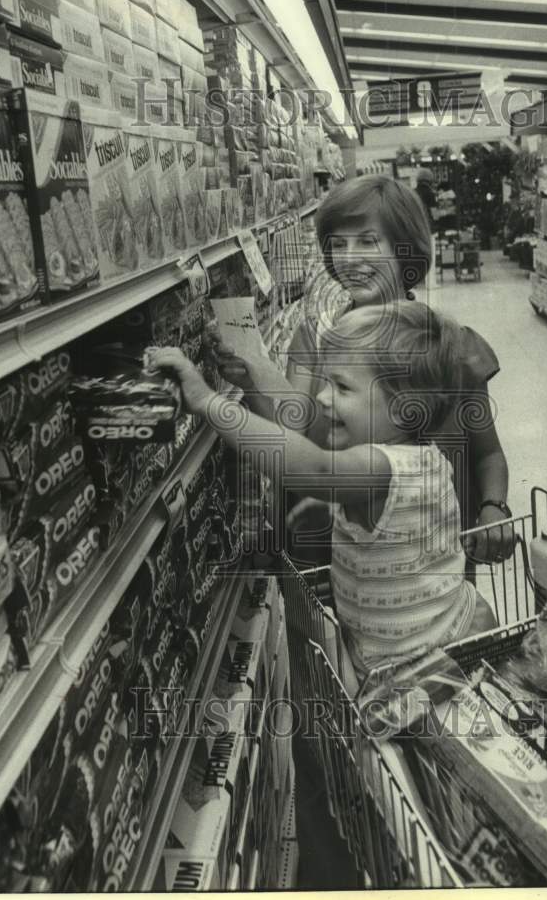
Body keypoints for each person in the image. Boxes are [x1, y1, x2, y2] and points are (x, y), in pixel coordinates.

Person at [149, 302, 498, 688]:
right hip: (447, 623)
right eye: (327, 381)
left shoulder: (382, 469)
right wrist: (254, 380)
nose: (325, 398)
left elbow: (311, 467)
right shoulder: (421, 456)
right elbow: (306, 424)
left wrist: (210, 403)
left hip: (422, 671)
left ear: (403, 411)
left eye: (343, 387)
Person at [211, 174, 514, 566]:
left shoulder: (451, 347)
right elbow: (291, 432)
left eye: (368, 242)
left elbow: (488, 454)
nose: (349, 259)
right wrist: (250, 380)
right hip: (334, 560)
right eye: (338, 244)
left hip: (432, 571)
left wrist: (494, 507)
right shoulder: (313, 336)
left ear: (405, 249)